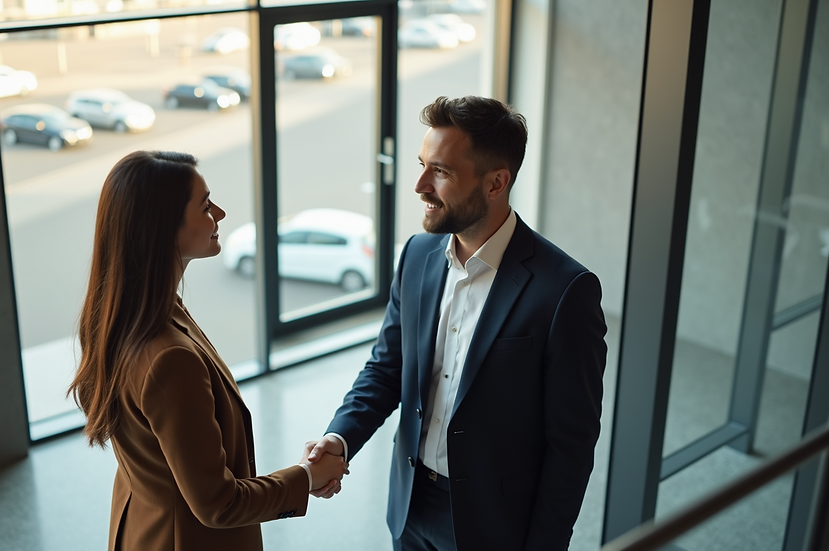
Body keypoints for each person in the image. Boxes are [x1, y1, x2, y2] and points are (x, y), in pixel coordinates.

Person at [302, 96, 607, 550]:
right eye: (422, 164)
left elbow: (571, 447)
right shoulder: (416, 255)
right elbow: (387, 368)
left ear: (495, 183)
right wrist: (339, 437)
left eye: (440, 172)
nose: (420, 184)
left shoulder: (565, 290)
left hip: (496, 524)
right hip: (409, 504)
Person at [68, 150, 347, 551]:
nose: (220, 213)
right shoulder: (170, 358)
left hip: (143, 525)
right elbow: (218, 504)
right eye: (204, 205)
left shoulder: (122, 315)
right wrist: (306, 476)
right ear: (164, 227)